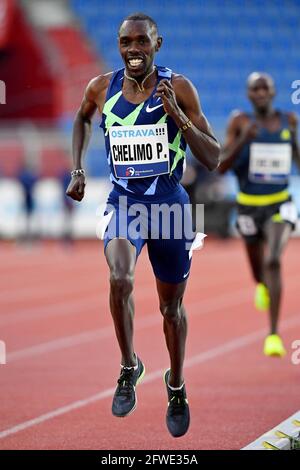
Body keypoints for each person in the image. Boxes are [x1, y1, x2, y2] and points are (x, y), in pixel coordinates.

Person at [66, 13, 220, 437]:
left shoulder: (179, 87)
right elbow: (81, 118)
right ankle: (129, 366)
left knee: (170, 308)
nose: (133, 49)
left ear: (158, 43)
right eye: (125, 42)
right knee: (120, 277)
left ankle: (176, 385)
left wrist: (179, 117)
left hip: (170, 207)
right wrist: (77, 168)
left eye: (141, 42)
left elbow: (213, 157)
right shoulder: (101, 87)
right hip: (125, 205)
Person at [219, 72, 300, 357]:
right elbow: (221, 166)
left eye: (266, 87)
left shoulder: (288, 120)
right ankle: (262, 285)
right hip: (248, 206)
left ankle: (273, 334)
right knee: (258, 271)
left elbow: (296, 159)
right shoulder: (239, 122)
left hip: (280, 203)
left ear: (274, 92)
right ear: (249, 94)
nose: (261, 92)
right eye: (256, 88)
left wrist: (294, 147)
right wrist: (243, 139)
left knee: (274, 259)